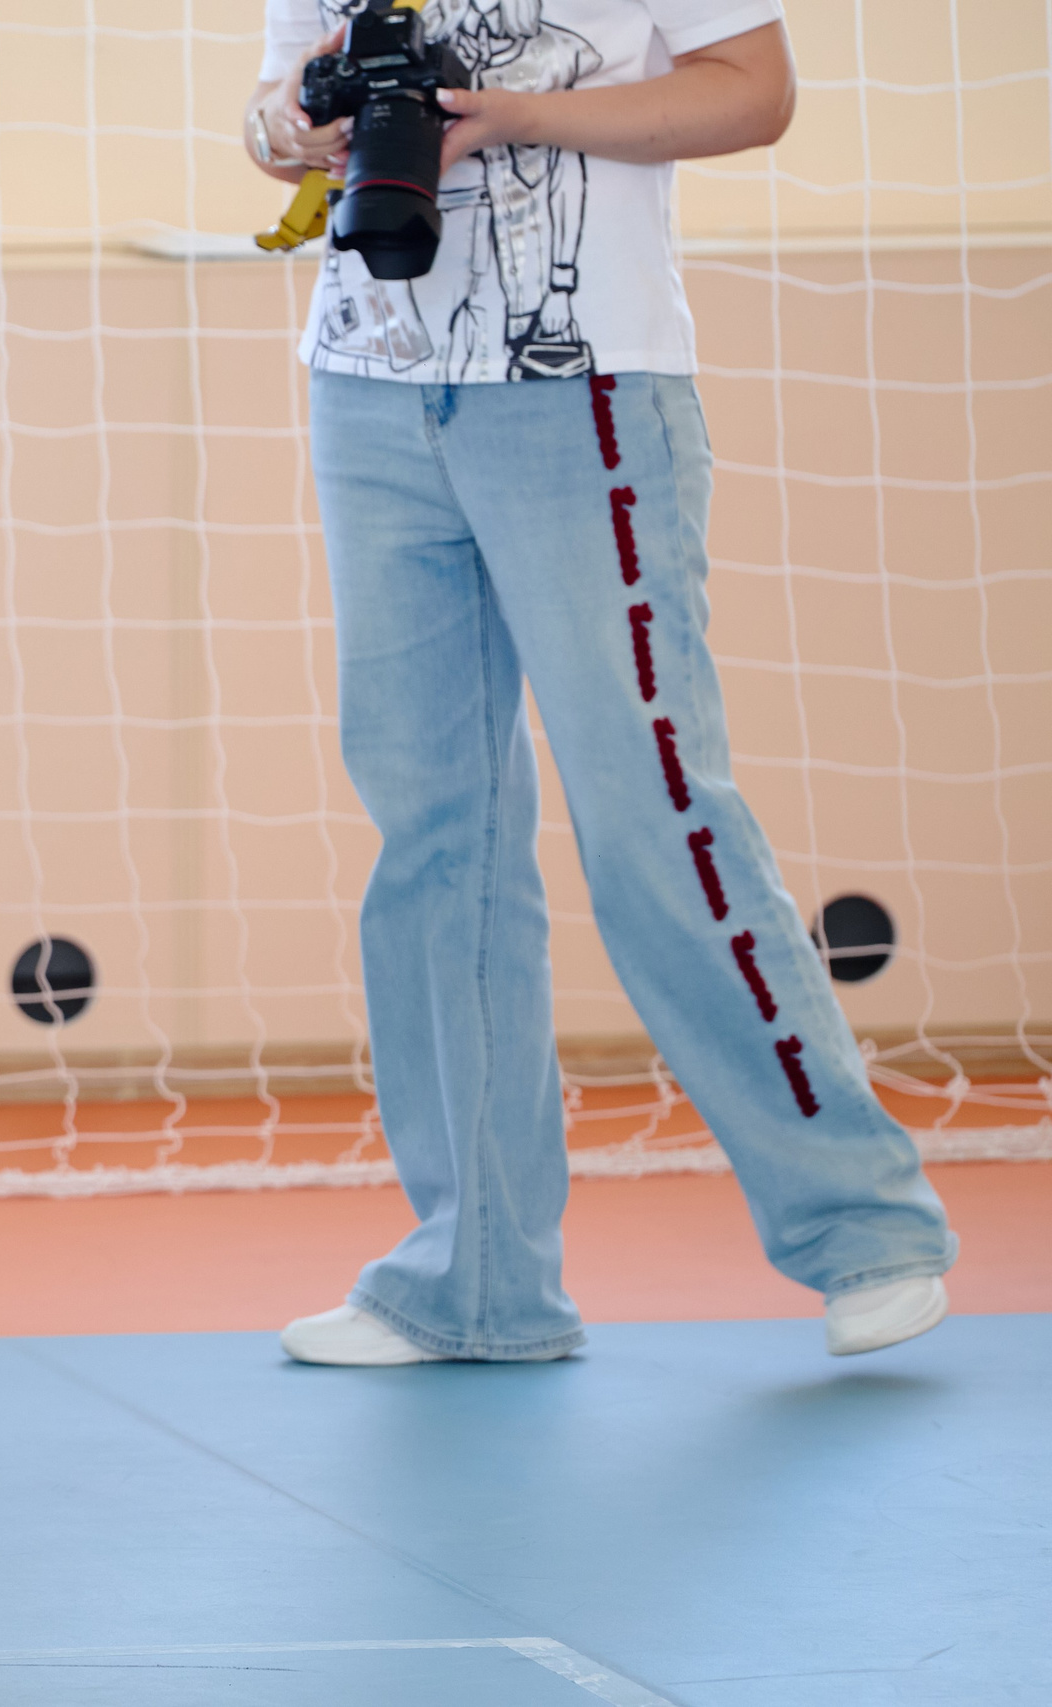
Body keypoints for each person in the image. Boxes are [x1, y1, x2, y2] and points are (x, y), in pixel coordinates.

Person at [242, 0, 957, 1365]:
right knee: (434, 836)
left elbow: (754, 91)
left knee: (654, 815)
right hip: (372, 387)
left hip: (585, 391)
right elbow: (272, 116)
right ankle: (476, 1283)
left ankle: (863, 1227)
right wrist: (292, 123)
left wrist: (511, 116)